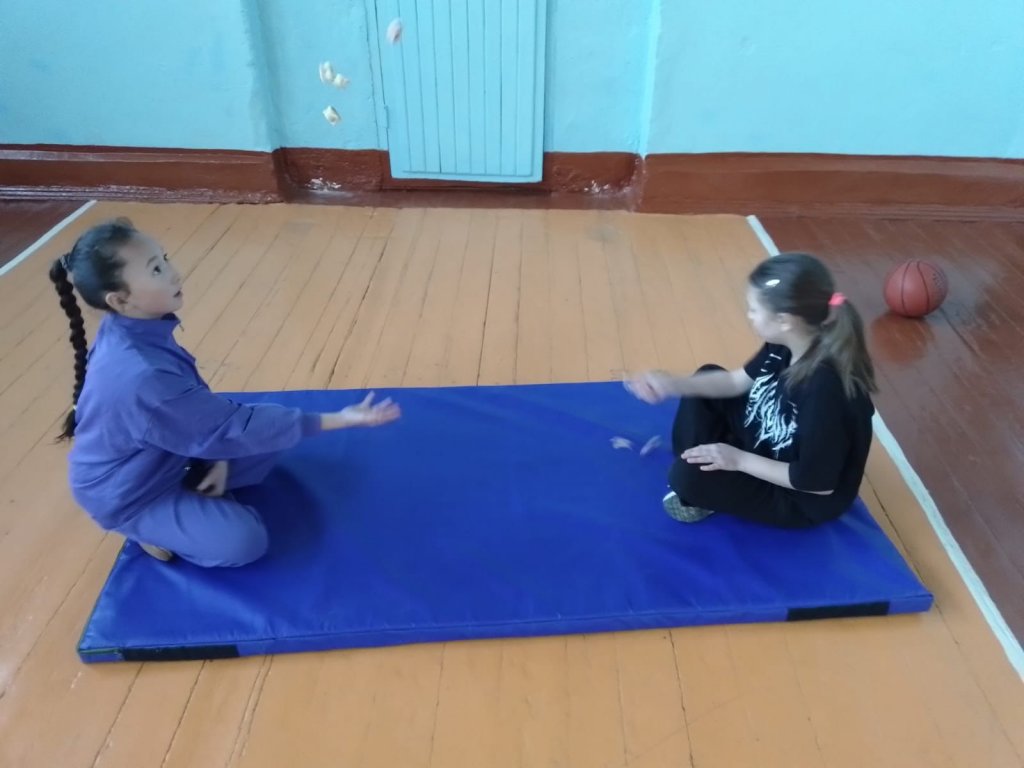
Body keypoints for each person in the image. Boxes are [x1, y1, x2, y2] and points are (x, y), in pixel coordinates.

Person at [49, 217, 400, 566]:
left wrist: (214, 458)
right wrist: (341, 419)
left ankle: (198, 485)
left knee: (272, 430)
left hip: (167, 454)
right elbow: (215, 424)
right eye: (156, 270)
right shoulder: (140, 374)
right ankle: (144, 528)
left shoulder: (129, 328)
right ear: (120, 300)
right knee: (243, 541)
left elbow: (201, 417)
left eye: (165, 259)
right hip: (131, 495)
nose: (174, 274)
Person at [627, 252, 876, 528]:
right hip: (767, 445)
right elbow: (736, 382)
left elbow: (817, 484)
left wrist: (738, 460)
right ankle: (707, 466)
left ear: (784, 320)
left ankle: (706, 480)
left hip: (799, 495)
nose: (749, 316)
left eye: (754, 310)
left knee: (687, 477)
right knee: (707, 377)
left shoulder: (825, 390)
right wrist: (674, 385)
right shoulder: (788, 341)